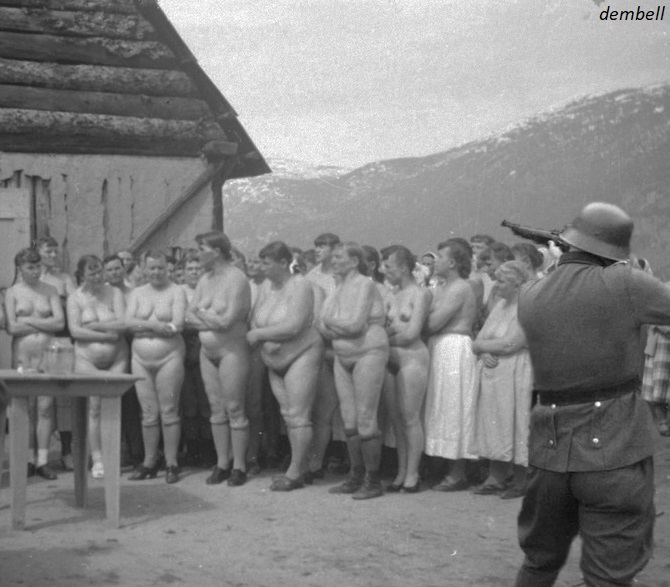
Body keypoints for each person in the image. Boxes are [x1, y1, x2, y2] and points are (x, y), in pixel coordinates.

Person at [514, 202, 670, 587]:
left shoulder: (530, 292)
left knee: (539, 563)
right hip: (615, 445)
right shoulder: (626, 283)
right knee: (608, 576)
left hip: (549, 449)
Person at [248, 241, 324, 490]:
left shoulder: (301, 285)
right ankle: (300, 465)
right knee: (288, 414)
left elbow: (294, 325)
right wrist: (260, 333)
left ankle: (295, 472)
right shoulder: (266, 286)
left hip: (302, 352)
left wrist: (259, 335)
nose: (261, 267)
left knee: (299, 415)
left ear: (283, 263)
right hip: (275, 360)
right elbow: (255, 319)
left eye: (266, 263)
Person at [317, 242, 389, 499]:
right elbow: (322, 326)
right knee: (349, 418)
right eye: (333, 257)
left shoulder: (365, 284)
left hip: (368, 352)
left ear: (355, 261)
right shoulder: (338, 287)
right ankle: (355, 475)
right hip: (343, 355)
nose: (334, 261)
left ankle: (373, 480)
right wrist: (337, 324)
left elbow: (356, 325)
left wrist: (332, 322)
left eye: (339, 257)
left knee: (366, 416)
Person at [186, 231, 251, 486]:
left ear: (216, 251)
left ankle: (239, 466)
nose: (197, 254)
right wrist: (208, 317)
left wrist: (201, 313)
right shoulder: (205, 279)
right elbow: (187, 316)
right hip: (208, 352)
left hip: (231, 351)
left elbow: (228, 321)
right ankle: (222, 462)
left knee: (234, 407)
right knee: (216, 409)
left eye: (201, 249)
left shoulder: (237, 279)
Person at [471, 261, 533, 499]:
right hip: (494, 375)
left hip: (518, 371)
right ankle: (496, 476)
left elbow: (512, 343)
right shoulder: (500, 306)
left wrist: (483, 347)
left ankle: (521, 478)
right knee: (494, 423)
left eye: (501, 281)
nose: (496, 285)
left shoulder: (528, 308)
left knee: (517, 421)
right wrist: (483, 351)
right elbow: (479, 339)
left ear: (518, 285)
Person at [126, 251, 187, 484]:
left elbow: (177, 325)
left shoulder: (176, 291)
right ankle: (149, 461)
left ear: (167, 268)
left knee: (169, 411)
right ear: (144, 269)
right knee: (149, 413)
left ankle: (171, 462)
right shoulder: (137, 293)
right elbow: (128, 323)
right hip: (140, 359)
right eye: (152, 268)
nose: (156, 272)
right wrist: (154, 326)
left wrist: (143, 327)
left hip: (169, 357)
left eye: (160, 267)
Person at [5, 248, 65, 479]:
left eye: (37, 266)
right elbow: (12, 327)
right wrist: (42, 322)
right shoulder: (12, 293)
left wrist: (28, 320)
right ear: (20, 268)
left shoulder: (50, 290)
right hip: (23, 355)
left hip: (48, 354)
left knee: (45, 408)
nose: (35, 271)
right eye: (30, 267)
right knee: (26, 408)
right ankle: (28, 458)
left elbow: (59, 323)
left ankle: (43, 460)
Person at [423, 239, 478, 491]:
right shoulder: (444, 287)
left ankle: (457, 473)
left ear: (453, 262)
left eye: (441, 257)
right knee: (440, 406)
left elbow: (434, 322)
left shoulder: (460, 288)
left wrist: (416, 317)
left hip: (454, 347)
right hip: (440, 347)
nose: (436, 261)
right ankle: (443, 467)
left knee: (453, 407)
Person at [68, 255, 129, 479]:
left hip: (117, 357)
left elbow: (121, 324)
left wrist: (94, 325)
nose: (97, 276)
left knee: (113, 405)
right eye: (91, 272)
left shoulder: (115, 293)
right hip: (86, 358)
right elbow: (75, 331)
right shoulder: (75, 298)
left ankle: (114, 455)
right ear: (82, 274)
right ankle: (97, 458)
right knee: (94, 407)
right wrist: (105, 333)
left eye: (99, 271)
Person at [381, 246, 431, 493]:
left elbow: (412, 333)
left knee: (411, 418)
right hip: (390, 360)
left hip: (412, 360)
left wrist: (386, 338)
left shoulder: (420, 294)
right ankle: (401, 471)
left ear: (403, 267)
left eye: (388, 266)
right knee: (396, 420)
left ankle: (413, 473)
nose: (384, 271)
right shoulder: (391, 295)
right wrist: (387, 336)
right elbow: (383, 328)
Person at [35, 237, 77, 471]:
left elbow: (74, 304)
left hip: (61, 339)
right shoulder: (30, 278)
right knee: (40, 403)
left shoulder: (65, 279)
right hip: (37, 343)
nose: (53, 255)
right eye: (48, 251)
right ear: (38, 252)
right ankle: (36, 456)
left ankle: (67, 451)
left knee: (64, 400)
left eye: (55, 251)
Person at [306, 233, 343, 481]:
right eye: (316, 246)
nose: (318, 250)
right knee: (319, 408)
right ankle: (314, 462)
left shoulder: (342, 275)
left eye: (323, 246)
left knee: (339, 411)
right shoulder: (311, 276)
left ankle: (336, 457)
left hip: (340, 343)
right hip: (319, 343)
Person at [179, 253, 215, 467]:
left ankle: (208, 449)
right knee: (189, 403)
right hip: (184, 349)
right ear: (183, 272)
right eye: (190, 269)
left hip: (205, 349)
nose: (194, 272)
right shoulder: (179, 291)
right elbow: (180, 320)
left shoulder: (208, 290)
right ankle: (192, 448)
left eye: (197, 268)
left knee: (206, 401)